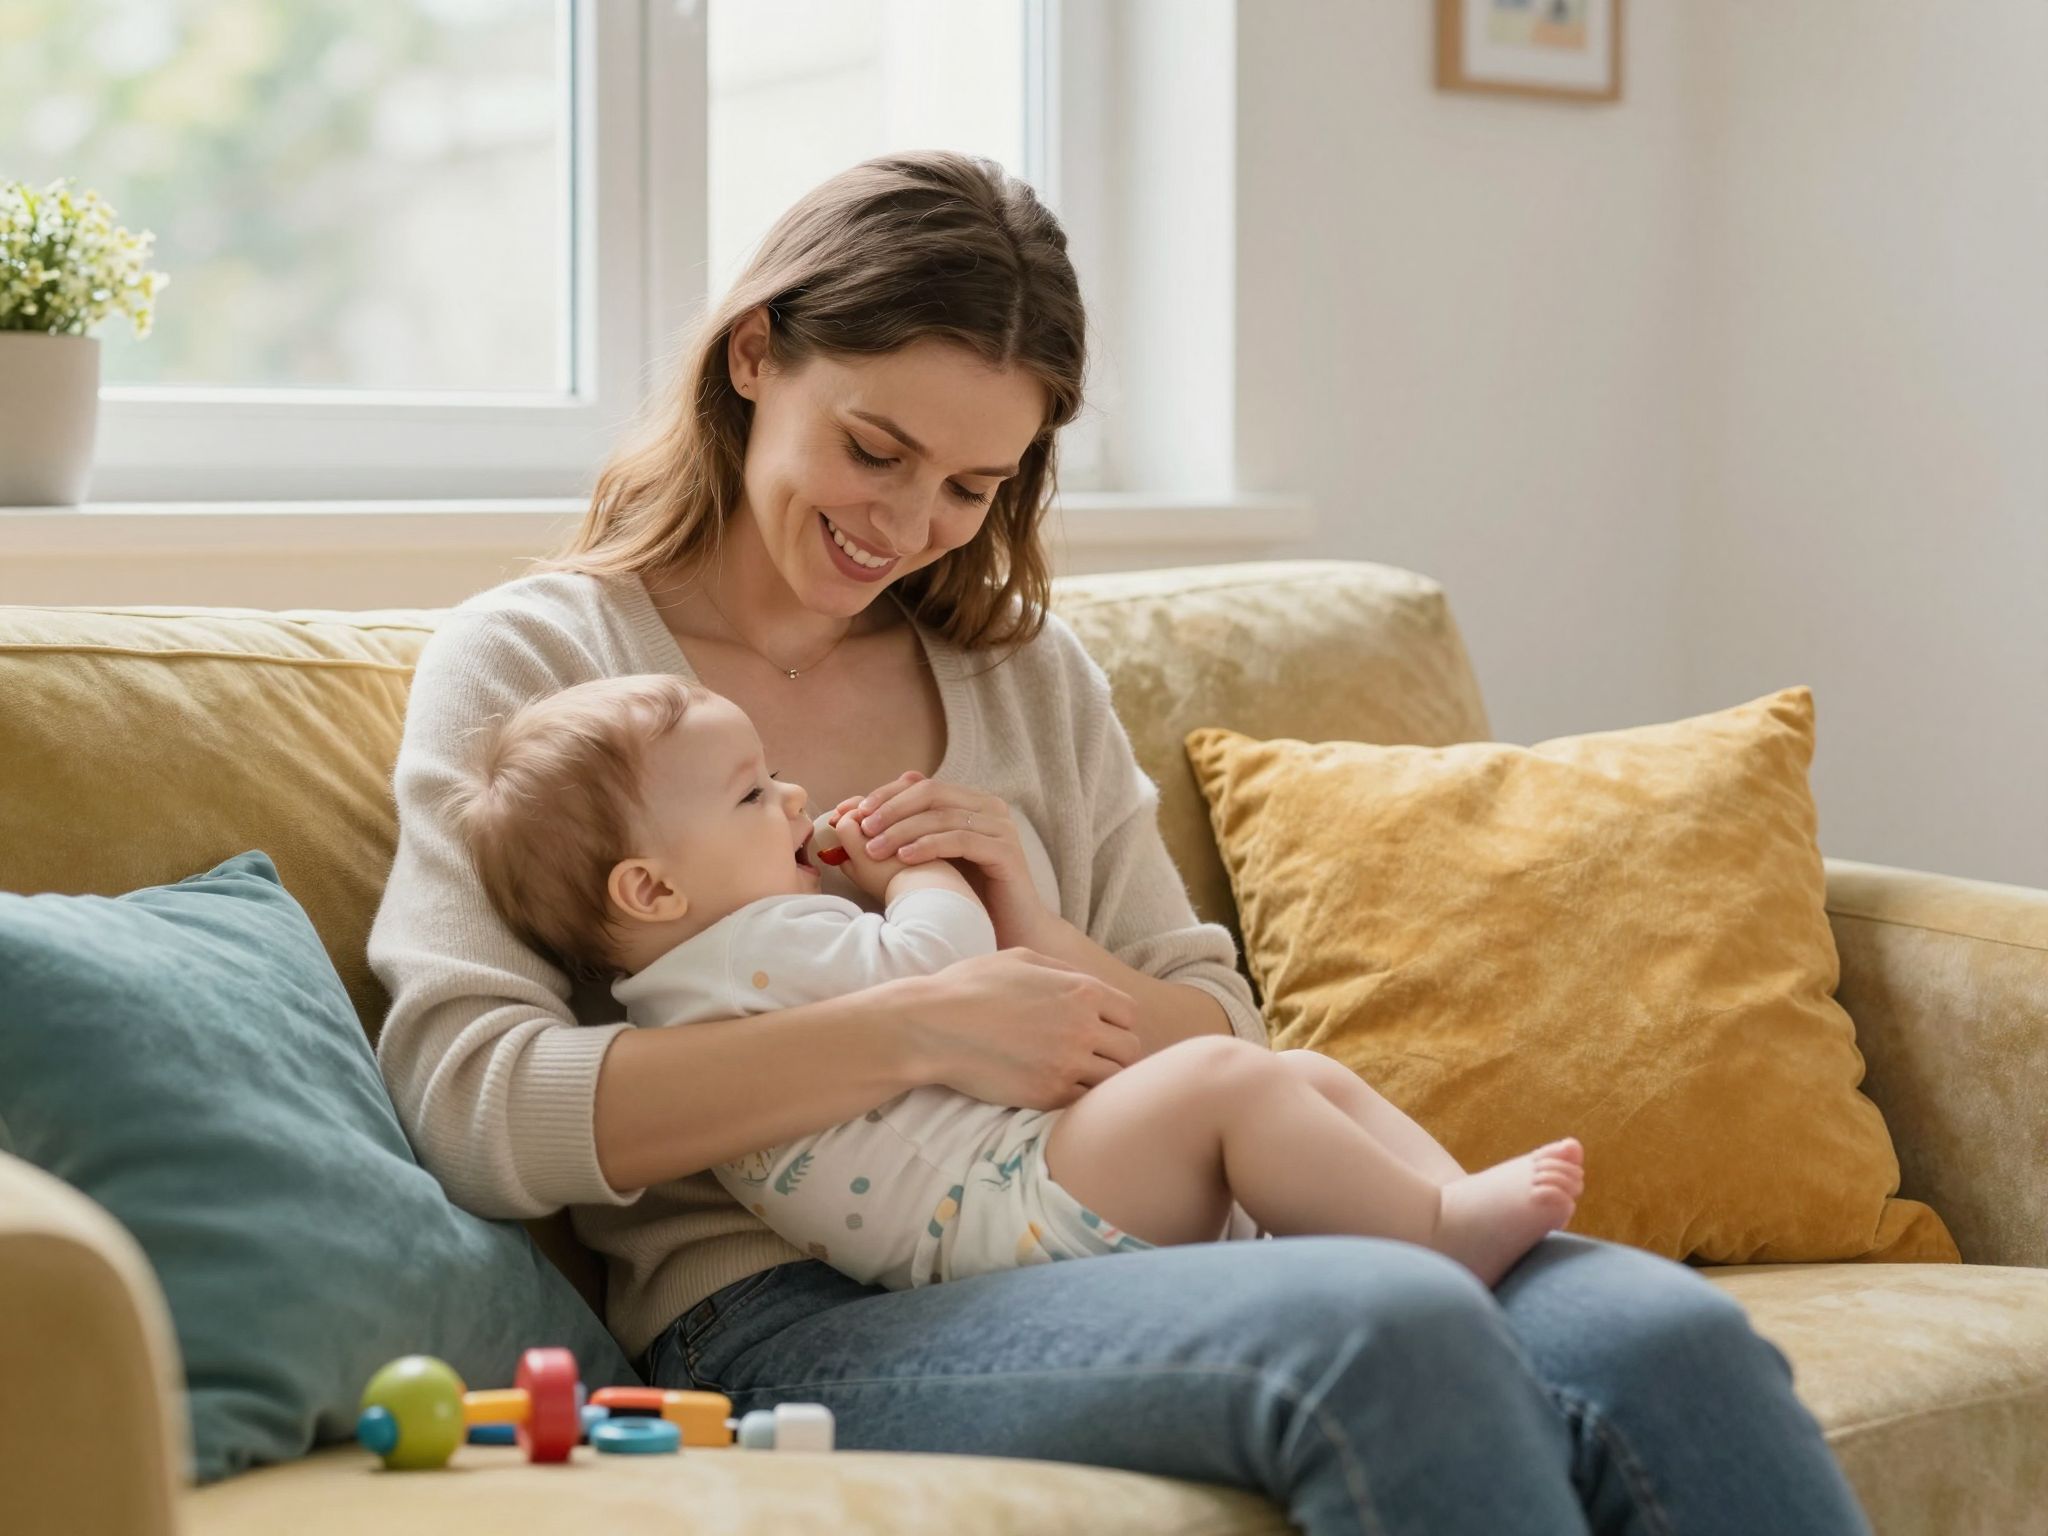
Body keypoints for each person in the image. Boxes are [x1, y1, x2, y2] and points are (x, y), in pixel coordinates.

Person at [368, 150, 1876, 1533]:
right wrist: (919, 1027)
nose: (909, 525)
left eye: (974, 487)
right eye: (876, 449)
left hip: (1123, 1222)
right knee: (1389, 1329)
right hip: (786, 1319)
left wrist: (1039, 932)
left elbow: (1215, 1030)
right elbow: (474, 1103)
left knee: (1670, 1339)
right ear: (756, 354)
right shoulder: (542, 667)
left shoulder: (1023, 678)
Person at [436, 668, 1588, 1295]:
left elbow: (1169, 999)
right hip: (1003, 1217)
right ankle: (1434, 1233)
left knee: (1280, 1069)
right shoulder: (754, 950)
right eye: (751, 796)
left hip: (1002, 1206)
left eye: (777, 775)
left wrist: (1024, 915)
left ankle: (1445, 1215)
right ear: (648, 892)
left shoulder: (699, 975)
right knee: (1235, 1084)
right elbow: (936, 966)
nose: (793, 800)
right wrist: (920, 875)